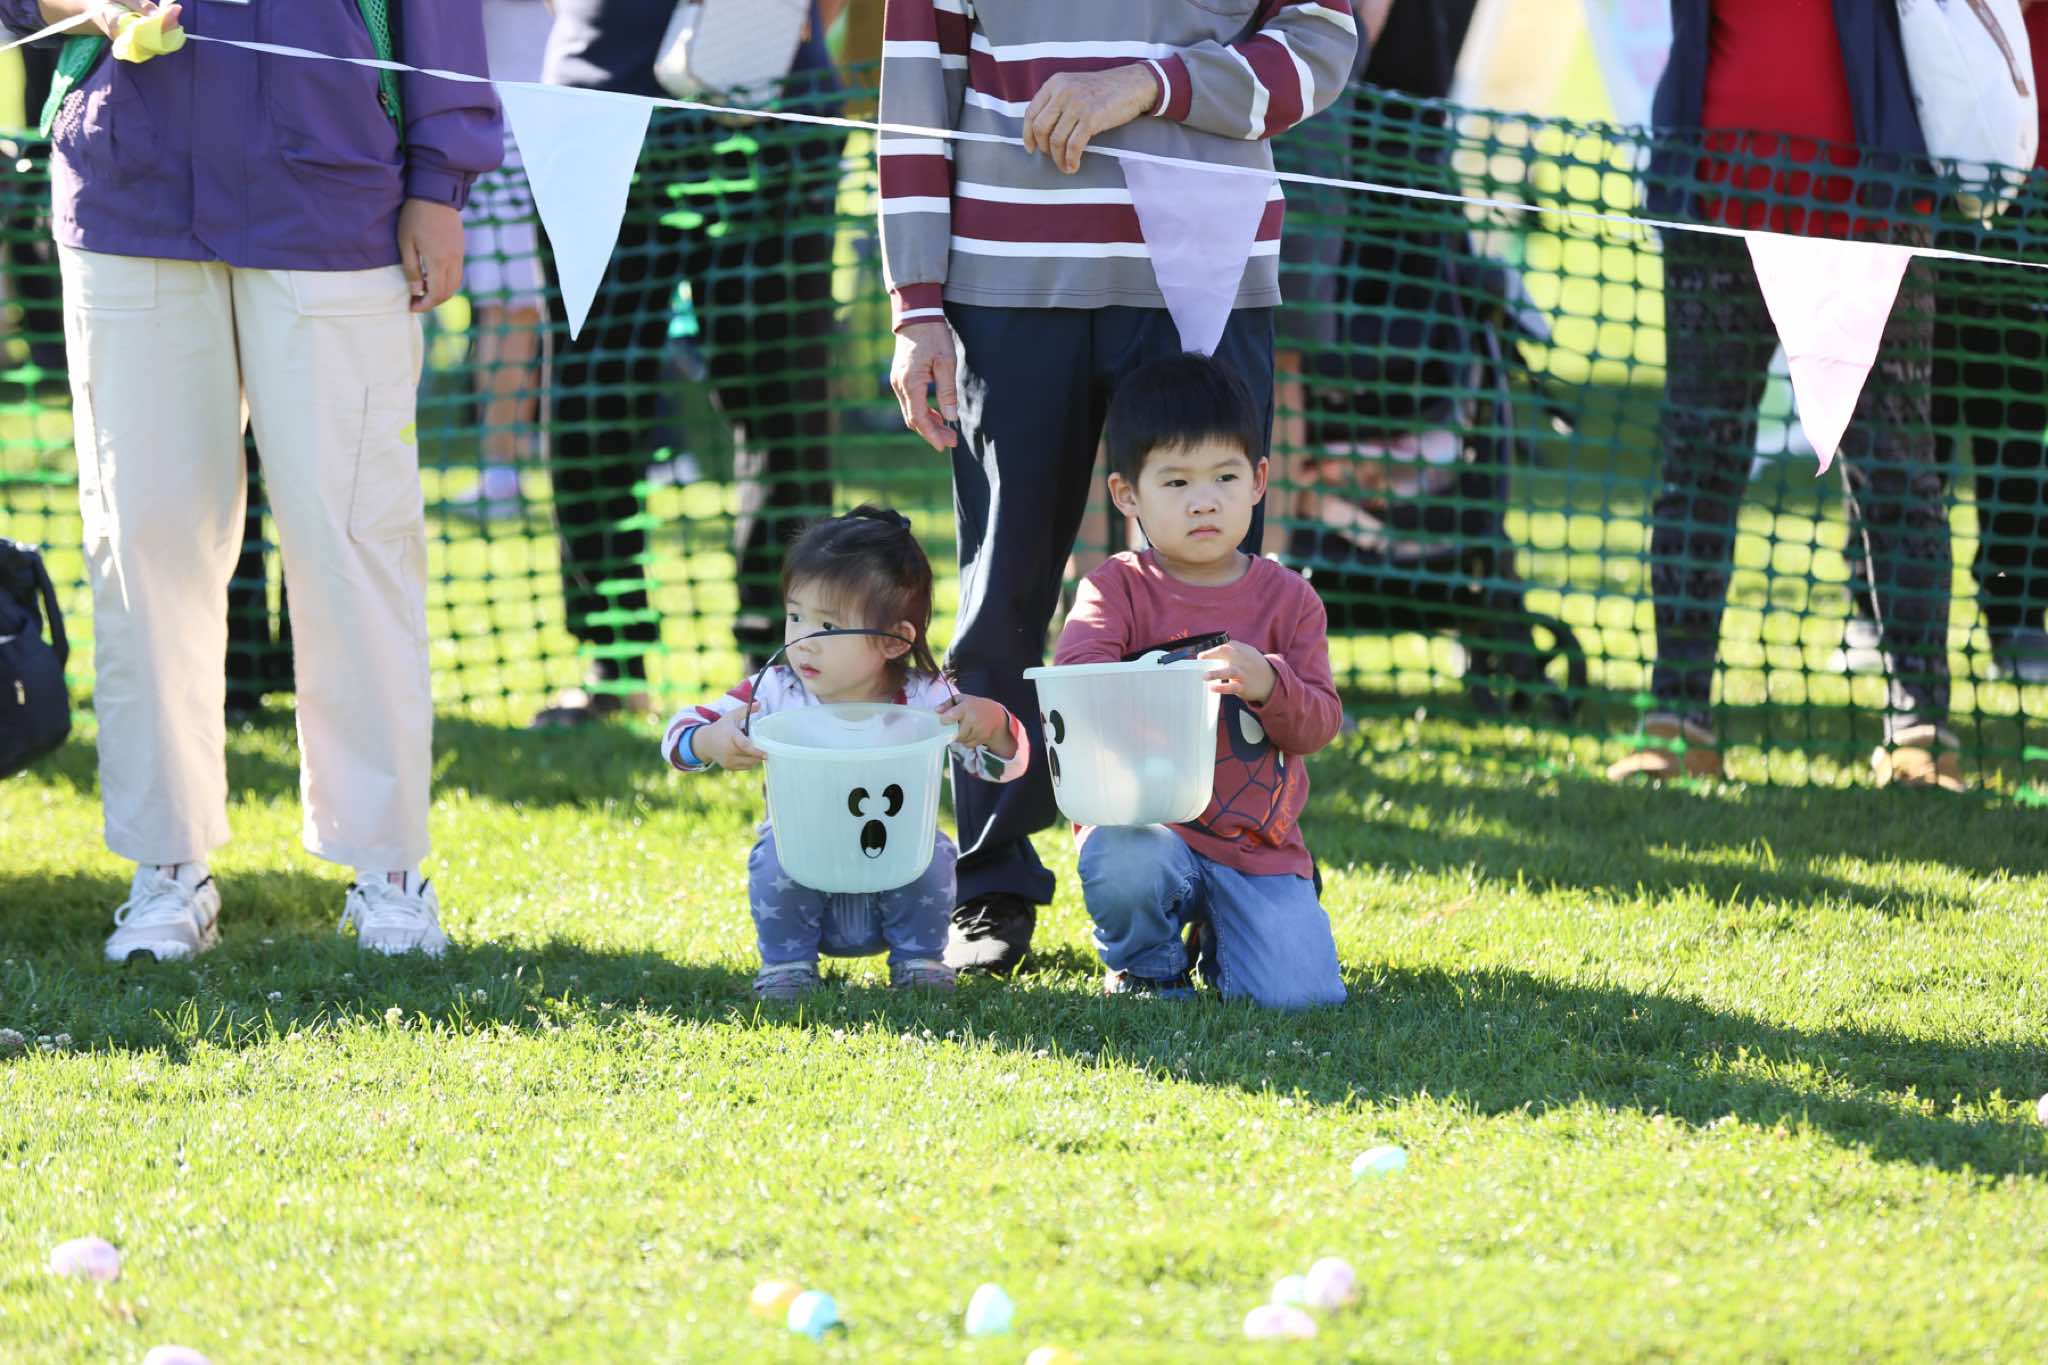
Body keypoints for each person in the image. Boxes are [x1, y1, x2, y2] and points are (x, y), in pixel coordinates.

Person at [5, 0, 502, 961]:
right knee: (143, 544)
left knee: (355, 538)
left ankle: (389, 867)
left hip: (338, 197)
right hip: (127, 192)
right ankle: (167, 866)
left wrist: (440, 182)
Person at [881, 0, 1361, 976]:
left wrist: (1150, 84)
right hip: (1006, 280)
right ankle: (991, 879)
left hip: (1205, 266)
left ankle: (1236, 868)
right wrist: (915, 299)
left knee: (1222, 592)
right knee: (1001, 600)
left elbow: (1321, 44)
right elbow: (915, 87)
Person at [1608, 0, 1961, 790]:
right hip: (1714, 207)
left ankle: (1922, 730)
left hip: (1871, 212)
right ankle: (1677, 716)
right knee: (1696, 466)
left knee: (1896, 473)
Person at [529, 0, 845, 726]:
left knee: (783, 404)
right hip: (599, 110)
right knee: (593, 401)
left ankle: (780, 662)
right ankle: (612, 662)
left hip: (775, 117)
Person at [1052, 354, 1344, 1009]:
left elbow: (1320, 724)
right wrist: (1152, 681)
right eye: (1177, 481)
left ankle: (1240, 926)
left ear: (1259, 480)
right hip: (1149, 832)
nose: (1204, 500)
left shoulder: (1291, 599)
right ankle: (1148, 966)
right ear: (1128, 494)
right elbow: (1076, 683)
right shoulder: (1113, 590)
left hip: (1257, 846)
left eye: (1225, 476)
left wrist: (1269, 681)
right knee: (1124, 860)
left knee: (1303, 998)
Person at [661, 505, 1028, 1000]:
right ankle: (788, 967)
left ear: (895, 642)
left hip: (897, 876)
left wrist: (995, 725)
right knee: (771, 853)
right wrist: (708, 740)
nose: (803, 642)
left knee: (936, 850)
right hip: (802, 878)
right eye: (795, 617)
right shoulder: (774, 691)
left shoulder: (927, 700)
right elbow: (677, 734)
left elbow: (1000, 768)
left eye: (828, 627)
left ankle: (919, 960)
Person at [450, 0, 554, 521]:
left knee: (530, 311)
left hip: (551, 128)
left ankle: (510, 472)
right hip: (503, 134)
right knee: (510, 310)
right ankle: (501, 472)